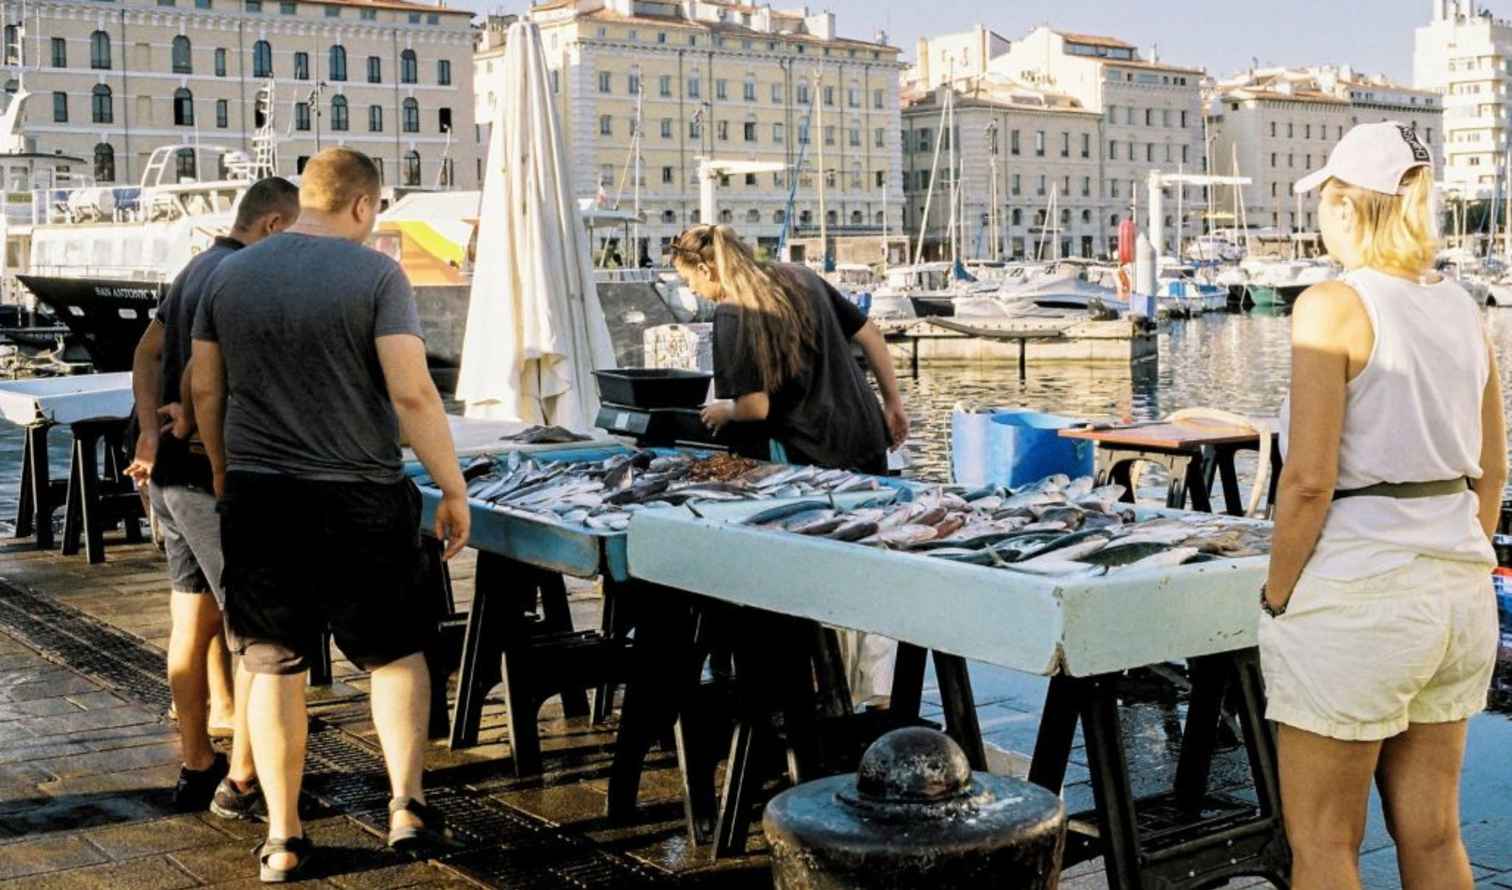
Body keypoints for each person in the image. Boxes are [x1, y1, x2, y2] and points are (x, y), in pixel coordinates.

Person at [190, 148, 470, 882]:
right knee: (394, 652)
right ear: (362, 205)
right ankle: (405, 806)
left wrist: (223, 468)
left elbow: (205, 389)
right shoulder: (376, 273)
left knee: (272, 663)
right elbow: (413, 394)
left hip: (260, 495)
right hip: (361, 493)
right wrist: (453, 488)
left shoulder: (229, 275)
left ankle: (283, 837)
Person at [1261, 121, 1506, 890]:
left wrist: (1278, 595)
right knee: (1433, 836)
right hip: (1457, 591)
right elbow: (1492, 473)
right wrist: (1450, 557)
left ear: (1345, 205)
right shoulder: (1464, 308)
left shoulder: (1333, 305)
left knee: (1326, 843)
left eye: (1324, 201)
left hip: (1361, 593)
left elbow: (1307, 480)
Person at [125, 177, 300, 815]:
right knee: (256, 632)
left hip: (169, 476)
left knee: (190, 623)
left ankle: (198, 764)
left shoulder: (196, 267)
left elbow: (145, 352)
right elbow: (205, 376)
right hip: (205, 476)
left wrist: (148, 433)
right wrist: (223, 467)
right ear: (275, 226)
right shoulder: (242, 276)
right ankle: (242, 782)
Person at [667, 224, 908, 474]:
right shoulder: (802, 275)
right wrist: (893, 404)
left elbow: (755, 407)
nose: (693, 290)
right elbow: (872, 335)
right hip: (866, 438)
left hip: (814, 456)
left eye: (688, 280)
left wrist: (725, 411)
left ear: (705, 270)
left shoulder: (731, 313)